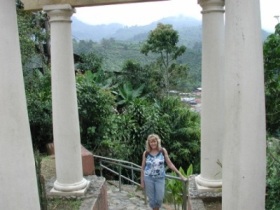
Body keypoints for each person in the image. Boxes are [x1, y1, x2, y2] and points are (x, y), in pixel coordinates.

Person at [140, 134, 186, 210]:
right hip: (148, 178)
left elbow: (170, 163)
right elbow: (142, 168)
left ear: (157, 142)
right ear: (148, 143)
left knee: (159, 199)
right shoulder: (146, 153)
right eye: (151, 142)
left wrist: (180, 174)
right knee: (152, 200)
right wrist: (142, 181)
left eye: (154, 141)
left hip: (160, 178)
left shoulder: (162, 151)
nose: (153, 143)